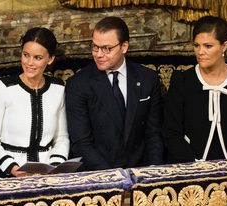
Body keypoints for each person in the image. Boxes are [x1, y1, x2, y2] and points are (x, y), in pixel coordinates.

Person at [65, 16, 163, 171]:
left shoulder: (148, 79)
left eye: (107, 49)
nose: (98, 54)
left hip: (141, 169)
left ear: (124, 47)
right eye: (95, 47)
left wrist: (153, 171)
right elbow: (81, 143)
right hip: (100, 173)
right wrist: (113, 177)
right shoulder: (78, 84)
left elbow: (154, 134)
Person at [163, 16, 227, 163]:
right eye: (196, 45)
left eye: (208, 46)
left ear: (224, 46)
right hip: (189, 168)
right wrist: (193, 164)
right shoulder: (181, 81)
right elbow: (171, 132)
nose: (200, 52)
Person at [0, 27, 70, 177]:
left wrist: (54, 166)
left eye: (38, 58)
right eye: (26, 55)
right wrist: (12, 167)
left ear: (50, 59)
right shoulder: (3, 87)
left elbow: (62, 137)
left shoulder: (58, 88)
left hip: (49, 173)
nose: (29, 63)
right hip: (9, 173)